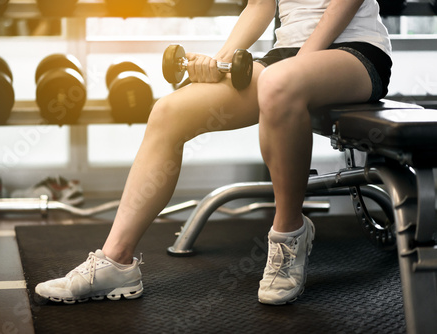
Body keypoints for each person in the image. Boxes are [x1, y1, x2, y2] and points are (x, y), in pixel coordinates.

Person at [35, 0, 392, 305]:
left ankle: (289, 233)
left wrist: (299, 62)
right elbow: (261, 4)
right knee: (169, 112)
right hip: (283, 60)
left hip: (354, 52)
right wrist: (218, 61)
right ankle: (116, 262)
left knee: (277, 82)